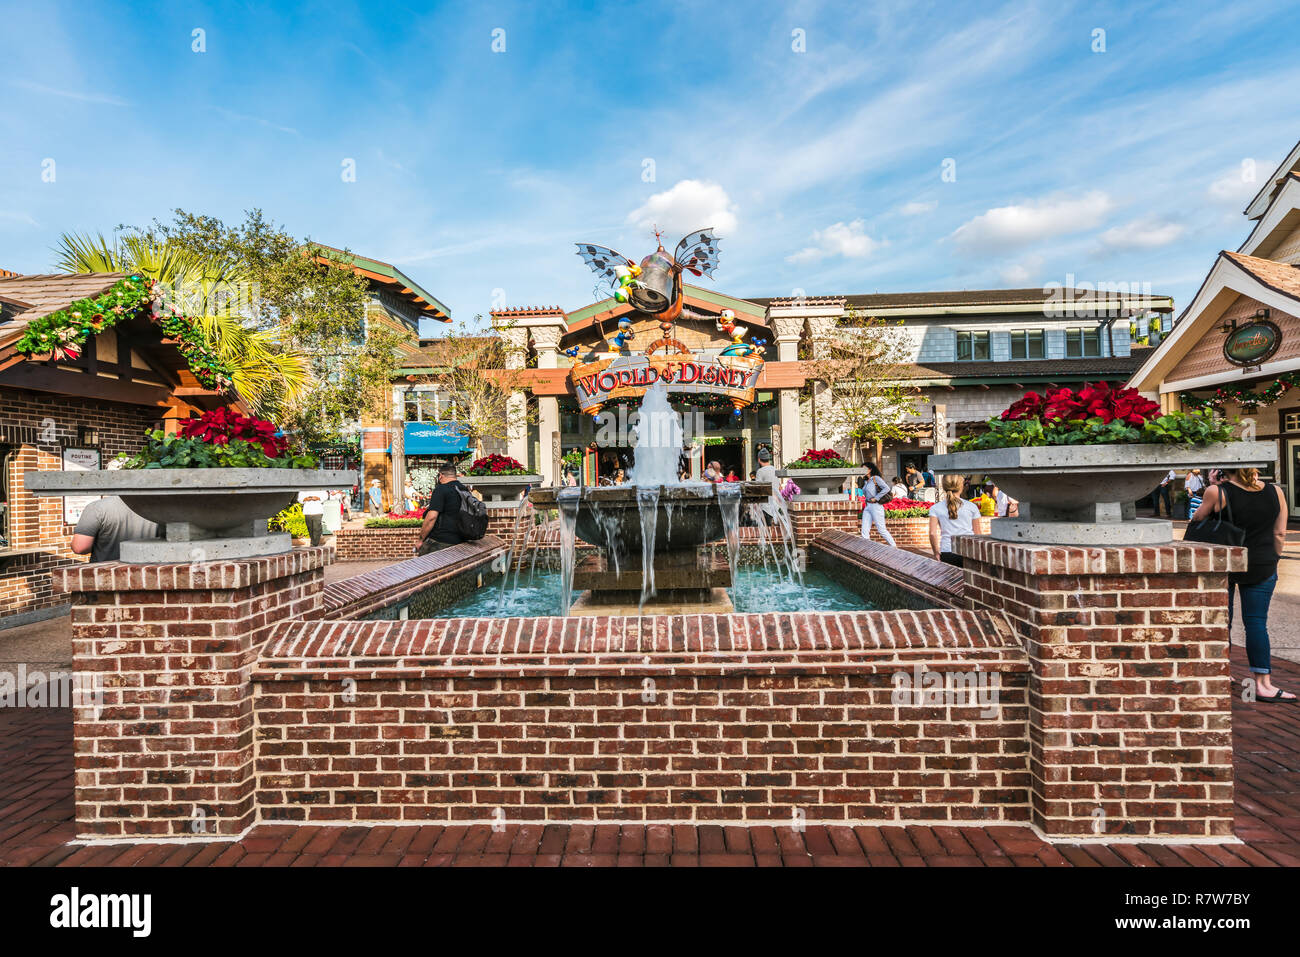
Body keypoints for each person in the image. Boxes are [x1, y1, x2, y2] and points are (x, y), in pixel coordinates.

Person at [1192, 467, 1293, 703]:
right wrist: (1273, 559)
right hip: (1262, 563)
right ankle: (1263, 684)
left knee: (1220, 619)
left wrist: (1214, 485)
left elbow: (1197, 520)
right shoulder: (1276, 492)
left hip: (1225, 562)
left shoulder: (1217, 491)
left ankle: (1222, 673)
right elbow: (1280, 533)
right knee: (1256, 623)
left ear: (1223, 471)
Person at [71, 496, 160, 563]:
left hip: (106, 575)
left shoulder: (97, 508)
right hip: (147, 574)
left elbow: (80, 548)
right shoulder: (158, 508)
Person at [929, 474, 982, 567]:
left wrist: (936, 552)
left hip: (947, 551)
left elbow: (932, 533)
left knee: (949, 580)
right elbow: (978, 534)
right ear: (961, 486)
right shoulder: (972, 507)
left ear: (944, 487)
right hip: (968, 551)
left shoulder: (935, 508)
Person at [417, 464, 469, 553]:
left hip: (442, 540)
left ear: (441, 475)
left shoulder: (441, 489)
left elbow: (431, 517)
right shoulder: (464, 489)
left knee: (424, 563)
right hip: (461, 539)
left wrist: (421, 539)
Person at [859, 461, 897, 547]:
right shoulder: (866, 481)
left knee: (881, 529)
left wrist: (876, 498)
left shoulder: (876, 478)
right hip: (868, 506)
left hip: (876, 506)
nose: (862, 470)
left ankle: (894, 546)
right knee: (864, 530)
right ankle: (866, 548)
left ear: (870, 469)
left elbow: (886, 488)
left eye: (864, 468)